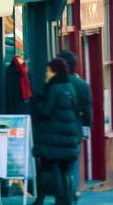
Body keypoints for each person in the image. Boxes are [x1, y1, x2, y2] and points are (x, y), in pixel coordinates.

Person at [31, 58, 81, 205]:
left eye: (48, 70)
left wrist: (37, 102)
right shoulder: (69, 86)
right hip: (68, 138)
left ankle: (39, 200)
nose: (46, 73)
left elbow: (46, 111)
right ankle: (68, 199)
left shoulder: (54, 88)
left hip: (53, 139)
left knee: (45, 169)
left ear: (55, 72)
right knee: (66, 169)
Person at [58, 50, 92, 204]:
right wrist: (86, 130)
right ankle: (73, 192)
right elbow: (87, 111)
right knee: (73, 164)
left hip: (57, 131)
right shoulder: (82, 85)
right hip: (74, 131)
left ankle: (62, 194)